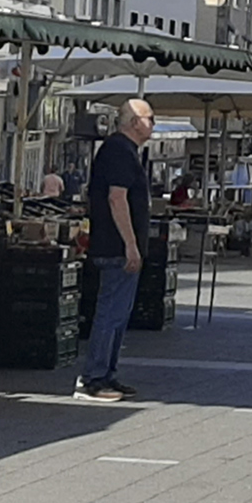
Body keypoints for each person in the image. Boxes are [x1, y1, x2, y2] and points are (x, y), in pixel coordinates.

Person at [77, 98, 154, 402]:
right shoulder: (119, 151)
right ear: (134, 122)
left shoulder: (127, 152)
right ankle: (93, 378)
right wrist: (131, 244)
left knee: (119, 314)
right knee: (110, 312)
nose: (153, 125)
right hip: (115, 245)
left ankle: (107, 373)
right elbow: (116, 199)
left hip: (120, 245)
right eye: (150, 118)